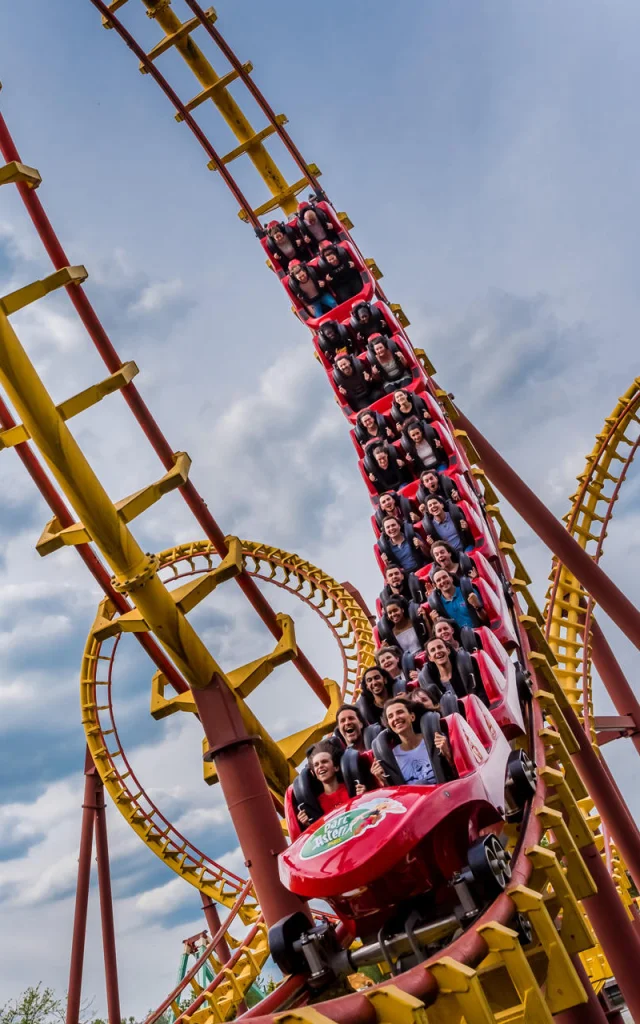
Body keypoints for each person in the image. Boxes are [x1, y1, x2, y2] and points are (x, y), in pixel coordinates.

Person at [371, 697, 453, 786]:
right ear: (389, 725)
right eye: (390, 716)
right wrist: (383, 780)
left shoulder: (436, 740)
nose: (396, 718)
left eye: (400, 712)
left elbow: (455, 774)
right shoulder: (392, 757)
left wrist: (448, 754)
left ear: (412, 717)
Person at [296, 740, 366, 827]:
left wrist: (363, 798)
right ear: (314, 773)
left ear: (336, 767)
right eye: (316, 765)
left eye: (324, 761)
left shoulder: (353, 790)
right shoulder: (316, 804)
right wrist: (308, 824)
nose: (320, 766)